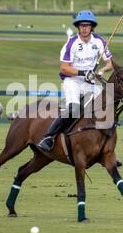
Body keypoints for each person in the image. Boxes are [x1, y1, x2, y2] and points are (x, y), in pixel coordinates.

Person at [37, 10, 114, 152]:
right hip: (72, 82)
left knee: (105, 109)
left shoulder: (99, 41)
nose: (84, 28)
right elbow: (64, 68)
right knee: (74, 109)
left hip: (90, 83)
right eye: (81, 25)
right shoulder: (71, 43)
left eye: (87, 25)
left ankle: (107, 148)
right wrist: (84, 72)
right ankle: (48, 137)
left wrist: (101, 71)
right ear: (78, 26)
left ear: (92, 26)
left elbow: (110, 63)